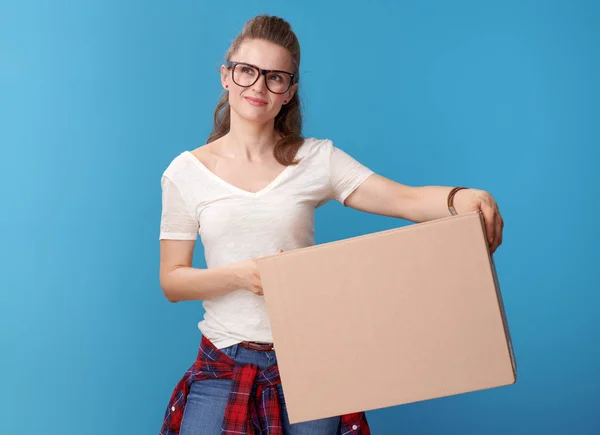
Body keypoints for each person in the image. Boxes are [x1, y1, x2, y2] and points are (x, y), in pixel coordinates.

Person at [157, 14, 504, 435]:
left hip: (312, 359)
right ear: (226, 76)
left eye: (275, 78)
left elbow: (403, 198)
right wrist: (242, 276)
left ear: (290, 91)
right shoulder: (185, 172)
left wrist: (461, 197)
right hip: (223, 361)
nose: (258, 87)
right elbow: (172, 281)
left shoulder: (315, 159)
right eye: (247, 71)